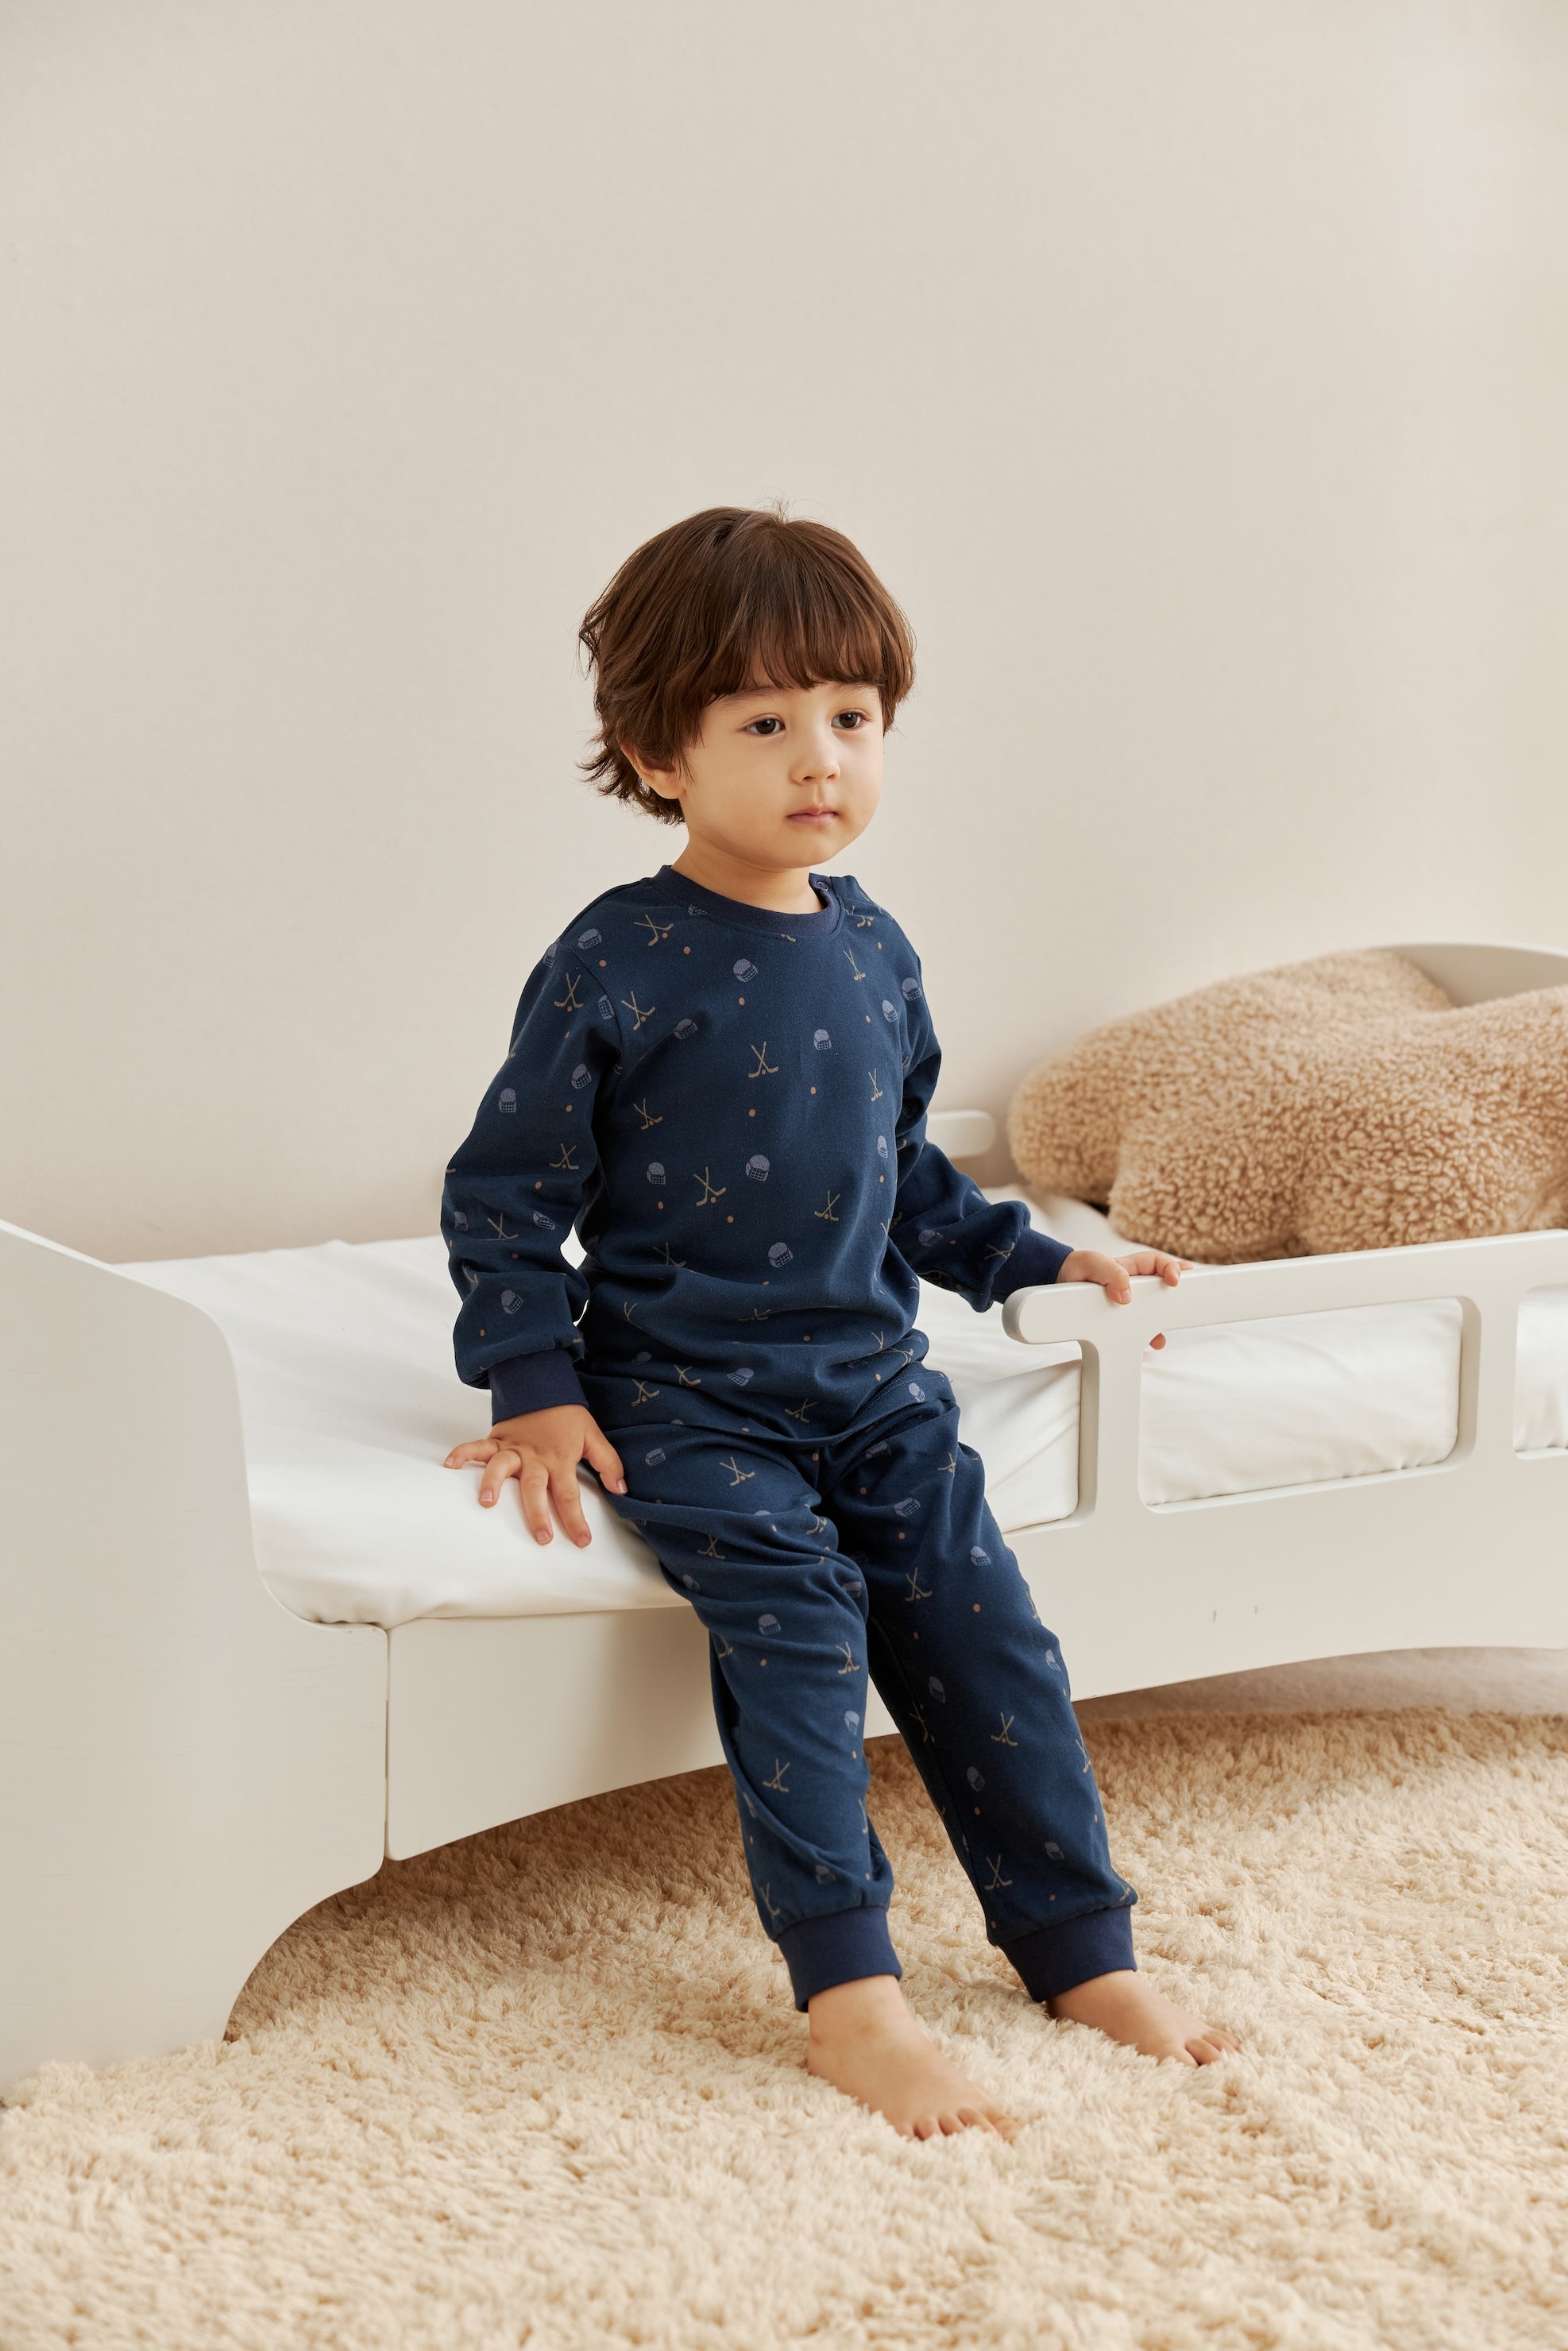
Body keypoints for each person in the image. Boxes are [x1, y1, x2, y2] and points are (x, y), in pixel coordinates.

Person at [441, 505, 1238, 2140]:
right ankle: (853, 1997)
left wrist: (1032, 1260)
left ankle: (1079, 1944)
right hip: (686, 1397)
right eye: (764, 722)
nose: (822, 758)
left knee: (987, 1627)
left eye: (853, 719)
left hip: (877, 1387)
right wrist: (534, 1382)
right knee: (801, 1630)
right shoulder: (619, 957)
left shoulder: (873, 949)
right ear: (661, 757)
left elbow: (909, 1182)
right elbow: (505, 1193)